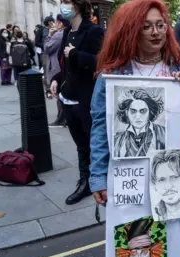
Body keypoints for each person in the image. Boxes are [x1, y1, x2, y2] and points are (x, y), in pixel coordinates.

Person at [89, 0, 180, 206]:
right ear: (130, 31)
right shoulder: (112, 76)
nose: (155, 32)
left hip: (172, 174)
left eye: (160, 25)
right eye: (146, 27)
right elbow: (101, 128)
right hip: (130, 177)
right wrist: (98, 176)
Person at [49, 0, 105, 205]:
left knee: (92, 142)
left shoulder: (93, 31)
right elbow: (64, 64)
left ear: (78, 6)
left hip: (86, 98)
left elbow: (102, 62)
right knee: (80, 144)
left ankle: (92, 180)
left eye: (67, 3)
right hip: (68, 96)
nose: (63, 7)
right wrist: (56, 80)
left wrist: (76, 54)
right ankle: (86, 180)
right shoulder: (66, 32)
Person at [114, 88, 166, 158]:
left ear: (150, 112)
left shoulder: (164, 133)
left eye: (143, 111)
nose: (138, 116)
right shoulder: (117, 140)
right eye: (133, 111)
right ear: (126, 113)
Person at [150, 150, 180, 221]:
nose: (168, 186)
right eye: (161, 180)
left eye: (174, 177)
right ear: (155, 185)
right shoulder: (155, 212)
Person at [46, 14, 70, 128]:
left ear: (60, 23)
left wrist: (49, 35)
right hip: (62, 66)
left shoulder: (59, 34)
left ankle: (61, 119)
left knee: (58, 93)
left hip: (57, 66)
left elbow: (47, 47)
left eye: (56, 22)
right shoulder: (67, 33)